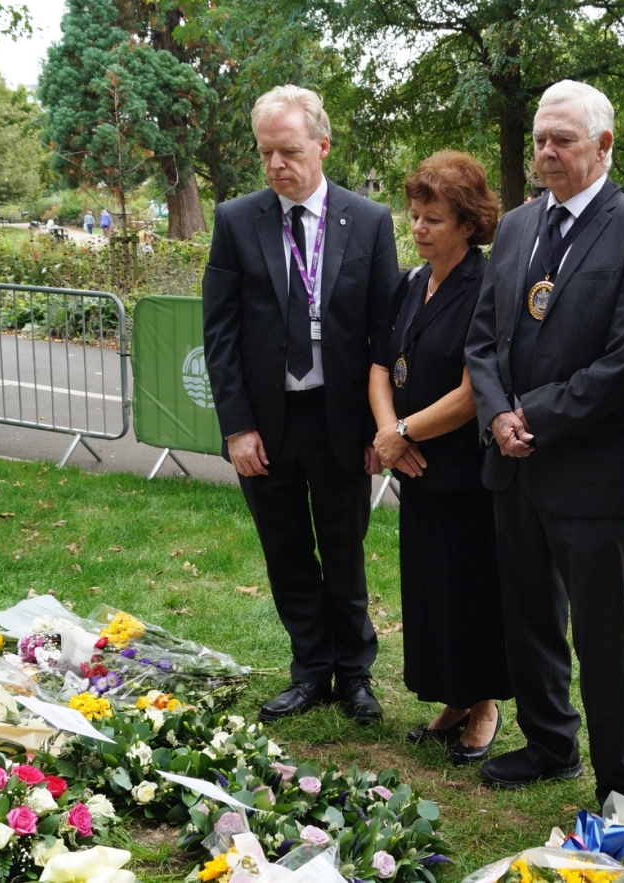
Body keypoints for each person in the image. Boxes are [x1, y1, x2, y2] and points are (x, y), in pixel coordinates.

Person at [465, 79, 624, 806]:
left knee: (601, 638)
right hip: (511, 463)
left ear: (604, 145)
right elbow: (483, 339)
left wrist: (535, 416)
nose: (546, 153)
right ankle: (551, 742)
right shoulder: (519, 227)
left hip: (585, 470)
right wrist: (497, 415)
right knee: (527, 617)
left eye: (562, 141)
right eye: (541, 140)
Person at [201, 84, 399, 723]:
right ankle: (310, 669)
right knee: (285, 549)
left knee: (344, 551)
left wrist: (381, 425)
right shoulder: (237, 221)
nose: (276, 165)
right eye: (265, 154)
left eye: (288, 151)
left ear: (322, 145)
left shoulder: (367, 221)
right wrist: (237, 428)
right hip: (269, 422)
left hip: (341, 420)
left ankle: (355, 674)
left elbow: (384, 333)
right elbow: (221, 332)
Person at [369, 152, 509, 764]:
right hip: (412, 462)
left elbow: (473, 390)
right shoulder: (408, 282)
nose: (419, 228)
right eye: (416, 216)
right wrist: (388, 435)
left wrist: (402, 432)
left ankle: (484, 707)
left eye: (433, 220)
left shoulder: (486, 288)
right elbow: (380, 365)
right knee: (430, 588)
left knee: (471, 586)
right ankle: (451, 699)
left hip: (464, 467)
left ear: (468, 223)